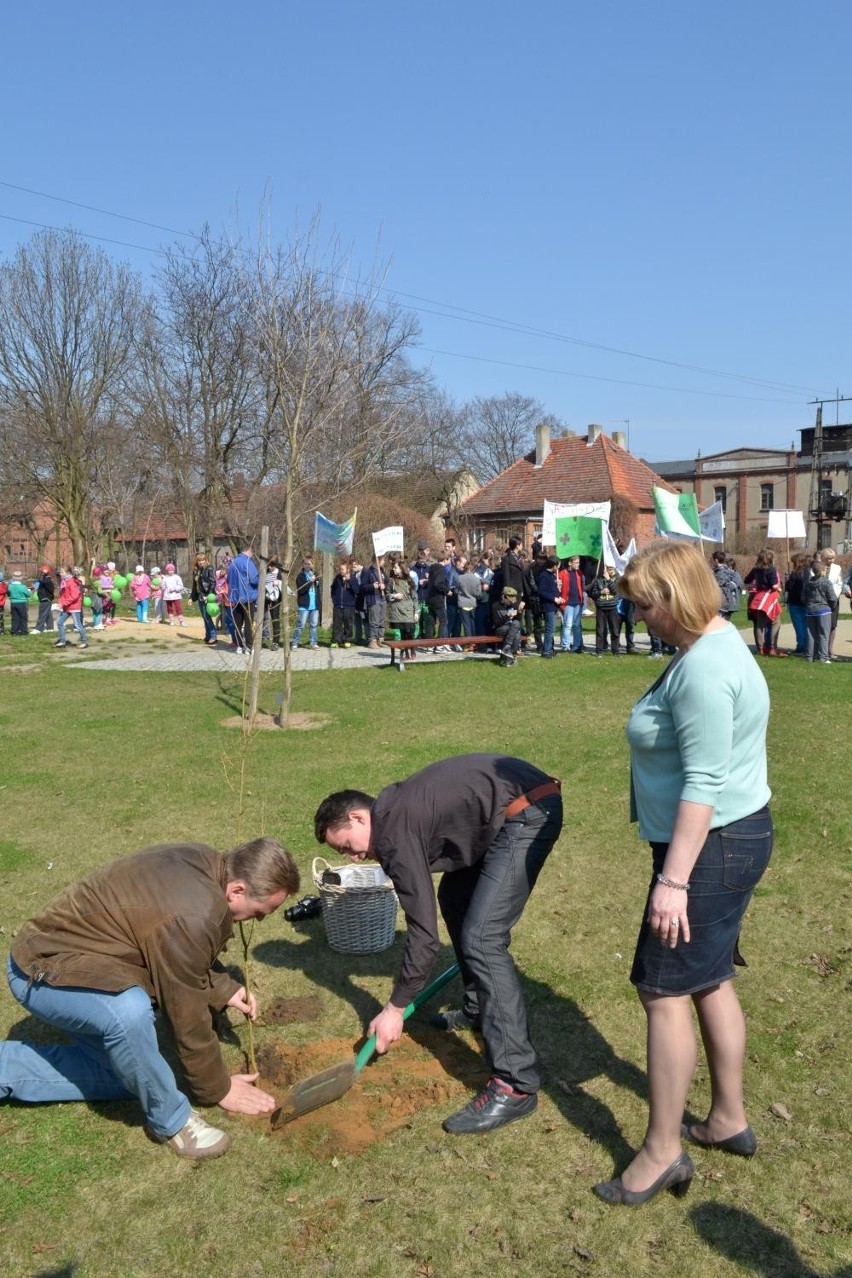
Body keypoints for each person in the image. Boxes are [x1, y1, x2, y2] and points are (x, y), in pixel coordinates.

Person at [594, 540, 772, 1206]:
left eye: (644, 605)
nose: (640, 616)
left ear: (673, 596)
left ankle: (661, 1151)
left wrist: (672, 882)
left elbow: (704, 779)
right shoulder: (718, 644)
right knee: (710, 977)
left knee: (663, 990)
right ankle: (727, 1118)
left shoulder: (702, 669)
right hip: (734, 837)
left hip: (709, 847)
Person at [1, 838, 300, 1160]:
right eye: (259, 912)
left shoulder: (205, 862)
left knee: (138, 1075)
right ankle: (171, 1120)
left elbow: (174, 947)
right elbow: (187, 1011)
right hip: (44, 972)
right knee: (128, 1013)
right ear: (237, 890)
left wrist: (224, 988)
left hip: (84, 958)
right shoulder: (195, 914)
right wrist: (219, 1088)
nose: (259, 921)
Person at [314, 754, 563, 1134]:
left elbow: (424, 936)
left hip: (529, 812)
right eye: (343, 854)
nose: (355, 857)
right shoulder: (394, 815)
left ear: (360, 818)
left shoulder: (394, 834)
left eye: (348, 845)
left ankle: (515, 1084)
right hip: (507, 809)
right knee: (455, 899)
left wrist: (395, 1008)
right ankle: (480, 1007)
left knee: (482, 938)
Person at [743, 549, 785, 657]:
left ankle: (760, 648)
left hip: (758, 596)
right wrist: (780, 589)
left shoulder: (756, 569)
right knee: (776, 622)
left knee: (759, 624)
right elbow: (774, 585)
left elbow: (747, 580)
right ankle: (771, 647)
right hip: (769, 596)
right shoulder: (771, 569)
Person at [803, 553, 837, 663]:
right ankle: (823, 657)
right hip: (824, 610)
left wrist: (808, 605)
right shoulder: (826, 582)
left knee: (811, 634)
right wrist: (831, 607)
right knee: (824, 634)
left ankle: (809, 656)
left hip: (810, 610)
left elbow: (803, 597)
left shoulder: (808, 582)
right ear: (823, 571)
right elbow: (833, 598)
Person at [227, 547, 259, 654]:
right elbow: (254, 579)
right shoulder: (248, 562)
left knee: (238, 623)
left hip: (235, 597)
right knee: (249, 623)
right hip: (248, 596)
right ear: (249, 551)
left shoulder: (233, 563)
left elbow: (228, 580)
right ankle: (249, 647)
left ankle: (239, 646)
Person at [588, 564, 620, 656]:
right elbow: (593, 594)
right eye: (607, 569)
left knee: (614, 630)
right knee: (600, 630)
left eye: (611, 569)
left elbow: (616, 591)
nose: (609, 571)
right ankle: (599, 651)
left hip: (612, 607)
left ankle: (616, 650)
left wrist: (609, 580)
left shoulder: (617, 579)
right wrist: (600, 592)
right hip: (601, 607)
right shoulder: (598, 580)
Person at [55, 566, 88, 650]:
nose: (60, 573)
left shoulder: (72, 582)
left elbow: (74, 596)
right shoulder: (64, 581)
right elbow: (62, 594)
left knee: (77, 625)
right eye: (60, 572)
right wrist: (60, 602)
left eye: (62, 572)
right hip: (67, 606)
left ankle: (84, 642)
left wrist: (64, 603)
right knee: (59, 622)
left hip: (74, 606)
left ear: (68, 573)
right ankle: (62, 641)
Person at [291, 555, 321, 649]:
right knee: (301, 625)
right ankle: (295, 642)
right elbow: (302, 590)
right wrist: (310, 582)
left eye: (309, 564)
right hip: (304, 604)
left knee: (314, 625)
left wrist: (319, 602)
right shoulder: (300, 576)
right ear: (303, 565)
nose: (307, 565)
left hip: (314, 605)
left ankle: (313, 642)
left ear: (312, 564)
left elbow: (318, 589)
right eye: (305, 564)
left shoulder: (315, 575)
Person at [819, 548, 843, 659]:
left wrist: (835, 596)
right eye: (828, 558)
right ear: (823, 558)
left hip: (833, 600)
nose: (831, 561)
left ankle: (830, 650)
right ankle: (819, 649)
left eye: (833, 558)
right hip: (820, 600)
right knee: (820, 625)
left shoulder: (837, 568)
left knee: (832, 625)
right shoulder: (817, 567)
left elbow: (839, 583)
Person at [559, 555, 586, 652]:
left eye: (579, 562)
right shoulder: (562, 573)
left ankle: (577, 645)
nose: (578, 564)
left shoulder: (579, 573)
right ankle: (566, 645)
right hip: (568, 603)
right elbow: (559, 588)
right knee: (567, 625)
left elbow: (581, 587)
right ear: (570, 563)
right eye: (576, 562)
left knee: (577, 625)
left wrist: (582, 600)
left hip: (577, 602)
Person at [492, 584, 524, 666]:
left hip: (511, 629)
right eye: (510, 600)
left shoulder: (512, 605)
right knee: (516, 629)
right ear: (503, 597)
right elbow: (496, 624)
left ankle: (507, 654)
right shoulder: (495, 606)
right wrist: (507, 616)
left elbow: (517, 621)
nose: (512, 601)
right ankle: (509, 653)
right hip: (500, 629)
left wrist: (519, 612)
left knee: (516, 632)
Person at [536, 555, 562, 657]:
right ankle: (546, 650)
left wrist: (559, 597)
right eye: (558, 566)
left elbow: (552, 590)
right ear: (554, 566)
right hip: (548, 606)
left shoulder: (551, 575)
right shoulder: (544, 575)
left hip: (554, 605)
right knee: (550, 628)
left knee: (552, 628)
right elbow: (542, 591)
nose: (558, 568)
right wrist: (554, 598)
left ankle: (550, 649)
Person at [190, 553, 217, 644]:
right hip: (200, 596)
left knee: (207, 616)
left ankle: (213, 636)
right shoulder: (197, 570)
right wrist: (191, 597)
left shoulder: (209, 568)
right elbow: (195, 585)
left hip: (207, 596)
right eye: (199, 560)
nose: (201, 562)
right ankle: (208, 635)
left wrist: (209, 596)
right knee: (204, 617)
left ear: (206, 560)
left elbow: (213, 582)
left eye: (203, 560)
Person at [330, 559, 356, 648]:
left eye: (343, 569)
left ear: (348, 570)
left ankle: (347, 639)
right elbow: (333, 589)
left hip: (349, 605)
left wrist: (349, 581)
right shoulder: (337, 578)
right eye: (340, 569)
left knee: (348, 624)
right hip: (338, 605)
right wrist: (334, 599)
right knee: (337, 623)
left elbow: (356, 589)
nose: (341, 571)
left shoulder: (353, 578)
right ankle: (336, 640)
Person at [7, 571, 32, 635]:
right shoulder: (23, 587)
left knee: (15, 618)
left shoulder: (10, 586)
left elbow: (8, 594)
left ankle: (14, 631)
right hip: (22, 603)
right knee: (23, 617)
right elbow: (28, 594)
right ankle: (23, 631)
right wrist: (29, 591)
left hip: (13, 603)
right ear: (21, 578)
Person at [33, 564, 55, 633]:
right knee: (48, 613)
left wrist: (43, 573)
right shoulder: (46, 580)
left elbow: (41, 580)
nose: (40, 573)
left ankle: (38, 628)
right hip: (46, 598)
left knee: (42, 613)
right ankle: (50, 627)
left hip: (45, 598)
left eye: (41, 572)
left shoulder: (46, 580)